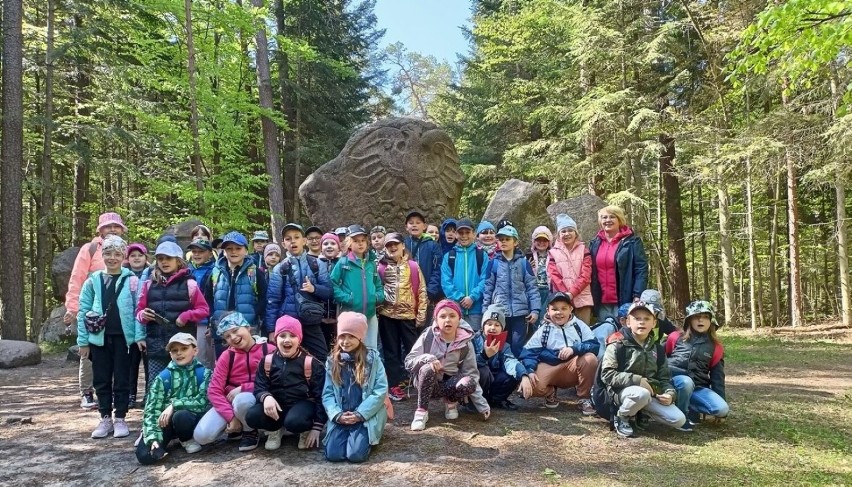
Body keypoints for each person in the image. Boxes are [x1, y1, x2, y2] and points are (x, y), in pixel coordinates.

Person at [78, 236, 141, 439]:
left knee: (122, 379)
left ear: (123, 256)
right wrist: (83, 341)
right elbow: (83, 310)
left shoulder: (132, 280)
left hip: (124, 339)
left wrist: (139, 337)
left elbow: (138, 311)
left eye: (117, 254)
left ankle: (120, 418)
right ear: (102, 255)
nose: (112, 258)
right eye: (108, 253)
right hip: (99, 339)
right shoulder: (93, 281)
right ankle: (105, 418)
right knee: (101, 379)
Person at [65, 211, 128, 409]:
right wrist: (72, 307)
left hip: (118, 312)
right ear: (100, 229)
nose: (112, 229)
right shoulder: (90, 249)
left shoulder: (124, 249)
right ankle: (86, 392)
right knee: (90, 351)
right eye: (107, 226)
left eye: (116, 226)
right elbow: (77, 277)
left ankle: (118, 396)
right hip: (93, 308)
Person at [600, 301, 686, 438]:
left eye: (646, 318)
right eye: (637, 318)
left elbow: (664, 378)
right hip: (622, 392)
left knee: (678, 419)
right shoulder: (617, 344)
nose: (642, 322)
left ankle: (641, 412)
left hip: (650, 394)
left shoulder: (657, 348)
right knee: (641, 394)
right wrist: (637, 380)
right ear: (628, 322)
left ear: (654, 323)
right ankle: (623, 416)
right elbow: (607, 375)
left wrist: (670, 394)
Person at [404, 300, 490, 431]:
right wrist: (427, 359)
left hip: (449, 384)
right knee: (428, 368)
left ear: (459, 319)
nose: (447, 320)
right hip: (426, 382)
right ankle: (421, 411)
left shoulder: (466, 342)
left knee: (469, 382)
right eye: (442, 316)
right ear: (436, 319)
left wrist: (482, 406)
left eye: (452, 316)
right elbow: (409, 362)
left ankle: (451, 402)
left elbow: (471, 373)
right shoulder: (428, 335)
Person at [193, 312, 272, 452]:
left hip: (260, 397)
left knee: (243, 400)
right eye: (227, 336)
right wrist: (230, 417)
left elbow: (275, 381)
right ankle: (238, 425)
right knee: (201, 436)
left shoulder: (269, 350)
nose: (233, 338)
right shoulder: (227, 356)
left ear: (247, 327)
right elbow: (214, 390)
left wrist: (244, 388)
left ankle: (250, 431)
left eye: (236, 331)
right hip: (231, 401)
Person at [246, 316, 327, 451]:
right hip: (277, 405)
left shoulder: (311, 363)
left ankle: (304, 430)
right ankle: (275, 430)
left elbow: (321, 396)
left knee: (294, 421)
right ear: (276, 339)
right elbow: (259, 386)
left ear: (299, 339)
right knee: (252, 416)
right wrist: (266, 397)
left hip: (302, 405)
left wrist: (317, 427)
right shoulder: (267, 361)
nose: (287, 340)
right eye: (282, 335)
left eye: (292, 336)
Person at [136, 241, 210, 385]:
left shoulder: (190, 284)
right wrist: (143, 315)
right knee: (156, 385)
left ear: (178, 260)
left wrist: (186, 316)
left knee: (183, 385)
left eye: (168, 258)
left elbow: (204, 310)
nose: (164, 262)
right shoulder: (149, 284)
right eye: (160, 258)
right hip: (156, 346)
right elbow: (138, 312)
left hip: (183, 347)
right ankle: (156, 408)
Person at [322, 312, 389, 463]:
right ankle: (344, 432)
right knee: (333, 455)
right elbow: (327, 394)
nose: (345, 341)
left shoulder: (373, 360)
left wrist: (360, 414)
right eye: (342, 336)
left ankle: (367, 436)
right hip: (342, 415)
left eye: (351, 336)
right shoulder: (333, 361)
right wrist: (337, 415)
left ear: (360, 337)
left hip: (364, 415)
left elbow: (380, 391)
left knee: (355, 455)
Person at [136, 333, 211, 465]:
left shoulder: (204, 374)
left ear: (195, 350)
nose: (179, 353)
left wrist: (174, 405)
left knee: (181, 415)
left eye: (184, 348)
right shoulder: (163, 377)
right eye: (174, 350)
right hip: (166, 422)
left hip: (191, 420)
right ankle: (155, 436)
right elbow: (152, 410)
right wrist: (153, 438)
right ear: (170, 354)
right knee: (145, 456)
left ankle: (186, 439)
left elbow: (203, 402)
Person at [518, 292, 598, 414]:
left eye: (564, 308)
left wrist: (574, 349)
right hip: (551, 367)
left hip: (572, 367)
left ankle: (585, 398)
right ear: (548, 311)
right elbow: (528, 353)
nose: (559, 313)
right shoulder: (544, 329)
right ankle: (550, 392)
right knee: (529, 388)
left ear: (571, 309)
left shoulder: (579, 326)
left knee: (590, 359)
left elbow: (594, 346)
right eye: (554, 309)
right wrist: (529, 370)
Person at [266, 223, 333, 361]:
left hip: (311, 321)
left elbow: (329, 293)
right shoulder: (280, 269)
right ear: (283, 244)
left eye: (296, 237)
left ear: (304, 241)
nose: (293, 241)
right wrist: (272, 329)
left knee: (320, 358)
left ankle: (319, 383)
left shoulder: (317, 264)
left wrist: (314, 289)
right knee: (290, 361)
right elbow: (273, 300)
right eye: (288, 239)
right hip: (288, 323)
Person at [377, 232, 428, 401]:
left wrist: (421, 315)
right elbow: (377, 290)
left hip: (408, 316)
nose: (392, 248)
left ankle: (422, 382)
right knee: (391, 352)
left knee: (414, 349)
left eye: (395, 244)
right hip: (387, 316)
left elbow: (421, 291)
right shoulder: (381, 267)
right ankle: (394, 386)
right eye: (389, 245)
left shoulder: (413, 266)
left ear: (402, 245)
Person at [666, 300, 728, 430]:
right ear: (689, 320)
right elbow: (659, 358)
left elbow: (718, 378)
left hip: (698, 387)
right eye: (696, 316)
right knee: (686, 382)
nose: (701, 320)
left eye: (705, 317)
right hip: (674, 384)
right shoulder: (675, 337)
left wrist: (720, 398)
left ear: (711, 320)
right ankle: (683, 415)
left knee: (722, 409)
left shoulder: (716, 347)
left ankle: (691, 406)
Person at [482, 225, 540, 356]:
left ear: (515, 242)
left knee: (517, 345)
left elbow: (532, 288)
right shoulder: (493, 264)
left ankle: (518, 373)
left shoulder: (524, 263)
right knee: (500, 346)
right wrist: (486, 311)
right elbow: (488, 289)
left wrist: (535, 310)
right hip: (499, 312)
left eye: (507, 239)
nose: (503, 242)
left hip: (520, 314)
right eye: (501, 239)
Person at [211, 231, 267, 357]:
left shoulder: (254, 273)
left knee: (247, 365)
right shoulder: (215, 272)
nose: (233, 252)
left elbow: (264, 298)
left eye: (238, 248)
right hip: (222, 332)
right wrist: (213, 320)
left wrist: (253, 315)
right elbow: (208, 298)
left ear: (246, 251)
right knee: (224, 365)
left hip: (247, 330)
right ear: (223, 251)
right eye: (229, 249)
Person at [589, 205, 648, 322]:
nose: (608, 220)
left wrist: (637, 295)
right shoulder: (595, 243)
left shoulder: (632, 242)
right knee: (606, 336)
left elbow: (641, 270)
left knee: (624, 335)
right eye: (604, 217)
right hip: (601, 301)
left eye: (612, 217)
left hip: (625, 299)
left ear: (619, 220)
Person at [330, 225, 384, 349]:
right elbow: (333, 284)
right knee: (351, 348)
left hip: (370, 314)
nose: (360, 244)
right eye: (355, 241)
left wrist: (377, 297)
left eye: (362, 241)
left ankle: (370, 368)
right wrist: (347, 298)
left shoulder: (371, 263)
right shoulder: (343, 262)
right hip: (350, 314)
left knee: (371, 348)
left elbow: (378, 284)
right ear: (349, 243)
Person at [440, 218, 490, 331]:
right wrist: (461, 298)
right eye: (461, 233)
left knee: (476, 342)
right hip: (456, 309)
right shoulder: (449, 256)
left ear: (474, 234)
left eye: (467, 232)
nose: (464, 236)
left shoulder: (481, 255)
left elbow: (486, 279)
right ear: (456, 234)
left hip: (476, 308)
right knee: (456, 342)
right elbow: (446, 282)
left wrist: (473, 297)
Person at [471, 305, 525, 410]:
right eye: (489, 324)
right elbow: (469, 364)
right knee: (484, 371)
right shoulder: (473, 340)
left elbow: (510, 361)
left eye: (497, 325)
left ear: (502, 328)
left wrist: (523, 374)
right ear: (483, 326)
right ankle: (477, 400)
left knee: (513, 373)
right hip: (478, 379)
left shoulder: (504, 345)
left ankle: (496, 400)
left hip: (495, 379)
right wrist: (484, 356)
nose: (492, 328)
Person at [548, 214, 593, 326]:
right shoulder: (553, 252)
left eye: (570, 231)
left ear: (576, 233)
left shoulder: (584, 250)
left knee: (583, 332)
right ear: (558, 234)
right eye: (563, 231)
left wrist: (572, 293)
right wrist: (565, 295)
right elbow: (554, 275)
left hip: (583, 299)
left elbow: (586, 275)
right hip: (562, 301)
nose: (567, 234)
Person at [187, 238, 219, 370]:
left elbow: (214, 298)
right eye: (194, 251)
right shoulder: (188, 271)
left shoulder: (215, 271)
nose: (197, 254)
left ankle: (209, 389)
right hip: (189, 320)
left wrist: (211, 322)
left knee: (206, 358)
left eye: (201, 251)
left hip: (205, 321)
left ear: (210, 253)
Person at [125, 242, 149, 407]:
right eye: (133, 255)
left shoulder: (151, 274)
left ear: (146, 258)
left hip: (147, 327)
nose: (136, 258)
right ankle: (130, 394)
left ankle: (149, 393)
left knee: (149, 364)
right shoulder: (123, 275)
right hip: (129, 328)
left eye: (140, 255)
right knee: (130, 364)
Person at [403, 210, 444, 307]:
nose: (414, 225)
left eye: (418, 222)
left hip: (426, 293)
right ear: (406, 227)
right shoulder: (403, 244)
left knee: (425, 320)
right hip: (407, 294)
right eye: (411, 223)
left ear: (424, 226)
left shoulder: (432, 245)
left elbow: (437, 270)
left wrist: (430, 292)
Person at [318, 233, 342, 348]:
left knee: (337, 347)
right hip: (320, 317)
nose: (329, 246)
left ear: (338, 247)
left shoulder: (343, 263)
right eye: (325, 243)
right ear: (321, 248)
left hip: (338, 315)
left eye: (333, 243)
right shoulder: (315, 264)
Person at [527, 226, 552, 328]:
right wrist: (528, 266)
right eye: (538, 240)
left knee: (545, 317)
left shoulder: (553, 255)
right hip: (534, 291)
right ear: (534, 241)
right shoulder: (528, 256)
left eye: (544, 240)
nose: (541, 243)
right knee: (534, 317)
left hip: (548, 289)